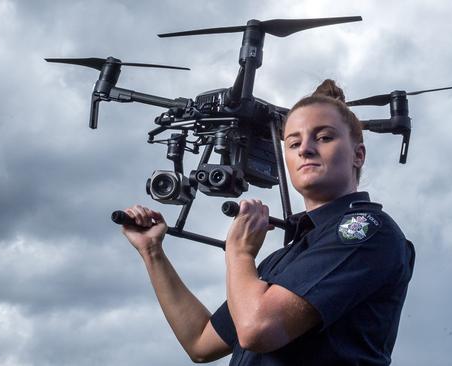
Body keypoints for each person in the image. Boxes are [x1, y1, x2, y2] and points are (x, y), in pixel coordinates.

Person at [121, 79, 415, 365]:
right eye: (293, 142)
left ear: (358, 155)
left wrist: (239, 253)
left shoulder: (366, 231)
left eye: (324, 137)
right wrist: (153, 252)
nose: (305, 149)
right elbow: (200, 342)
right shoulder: (286, 258)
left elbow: (257, 329)